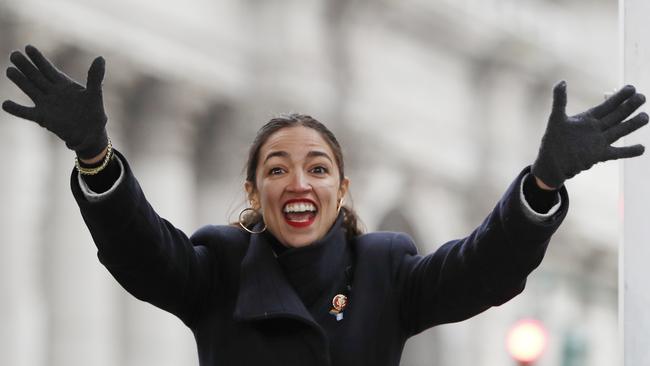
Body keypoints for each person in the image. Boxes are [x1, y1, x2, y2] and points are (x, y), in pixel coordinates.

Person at [2, 45, 648, 366]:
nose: (299, 183)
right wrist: (95, 154)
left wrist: (540, 184)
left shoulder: (385, 271)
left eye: (318, 168)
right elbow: (142, 249)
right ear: (254, 193)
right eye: (276, 169)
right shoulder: (219, 267)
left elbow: (481, 268)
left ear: (342, 191)